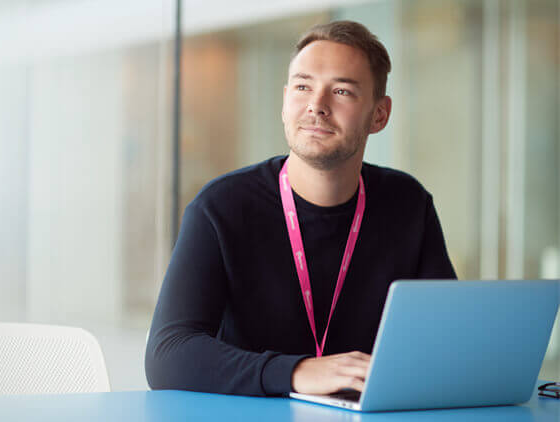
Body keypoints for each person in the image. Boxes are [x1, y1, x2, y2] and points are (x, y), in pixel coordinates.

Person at [145, 20, 457, 397]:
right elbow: (168, 354)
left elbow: (446, 337)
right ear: (285, 101)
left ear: (379, 115)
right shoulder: (220, 207)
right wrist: (296, 372)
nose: (317, 106)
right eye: (303, 86)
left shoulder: (408, 204)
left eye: (341, 91)